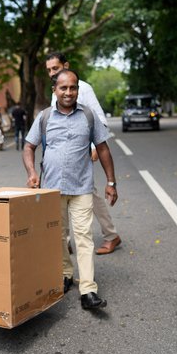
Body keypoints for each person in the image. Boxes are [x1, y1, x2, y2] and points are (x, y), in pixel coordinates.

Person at [23, 68, 117, 310]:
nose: (68, 92)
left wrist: (111, 182)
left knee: (83, 237)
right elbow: (29, 147)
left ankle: (88, 290)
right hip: (51, 189)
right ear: (54, 90)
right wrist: (32, 173)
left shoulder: (88, 116)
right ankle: (65, 273)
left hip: (82, 187)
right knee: (57, 237)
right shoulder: (44, 117)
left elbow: (103, 148)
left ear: (78, 89)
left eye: (72, 87)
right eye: (63, 87)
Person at [44, 52, 121, 293]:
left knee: (87, 195)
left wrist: (92, 148)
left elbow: (97, 119)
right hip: (61, 166)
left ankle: (109, 236)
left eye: (55, 67)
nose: (52, 73)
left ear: (66, 66)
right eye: (49, 70)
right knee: (85, 197)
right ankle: (105, 236)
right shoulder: (56, 90)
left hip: (84, 153)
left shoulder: (81, 88)